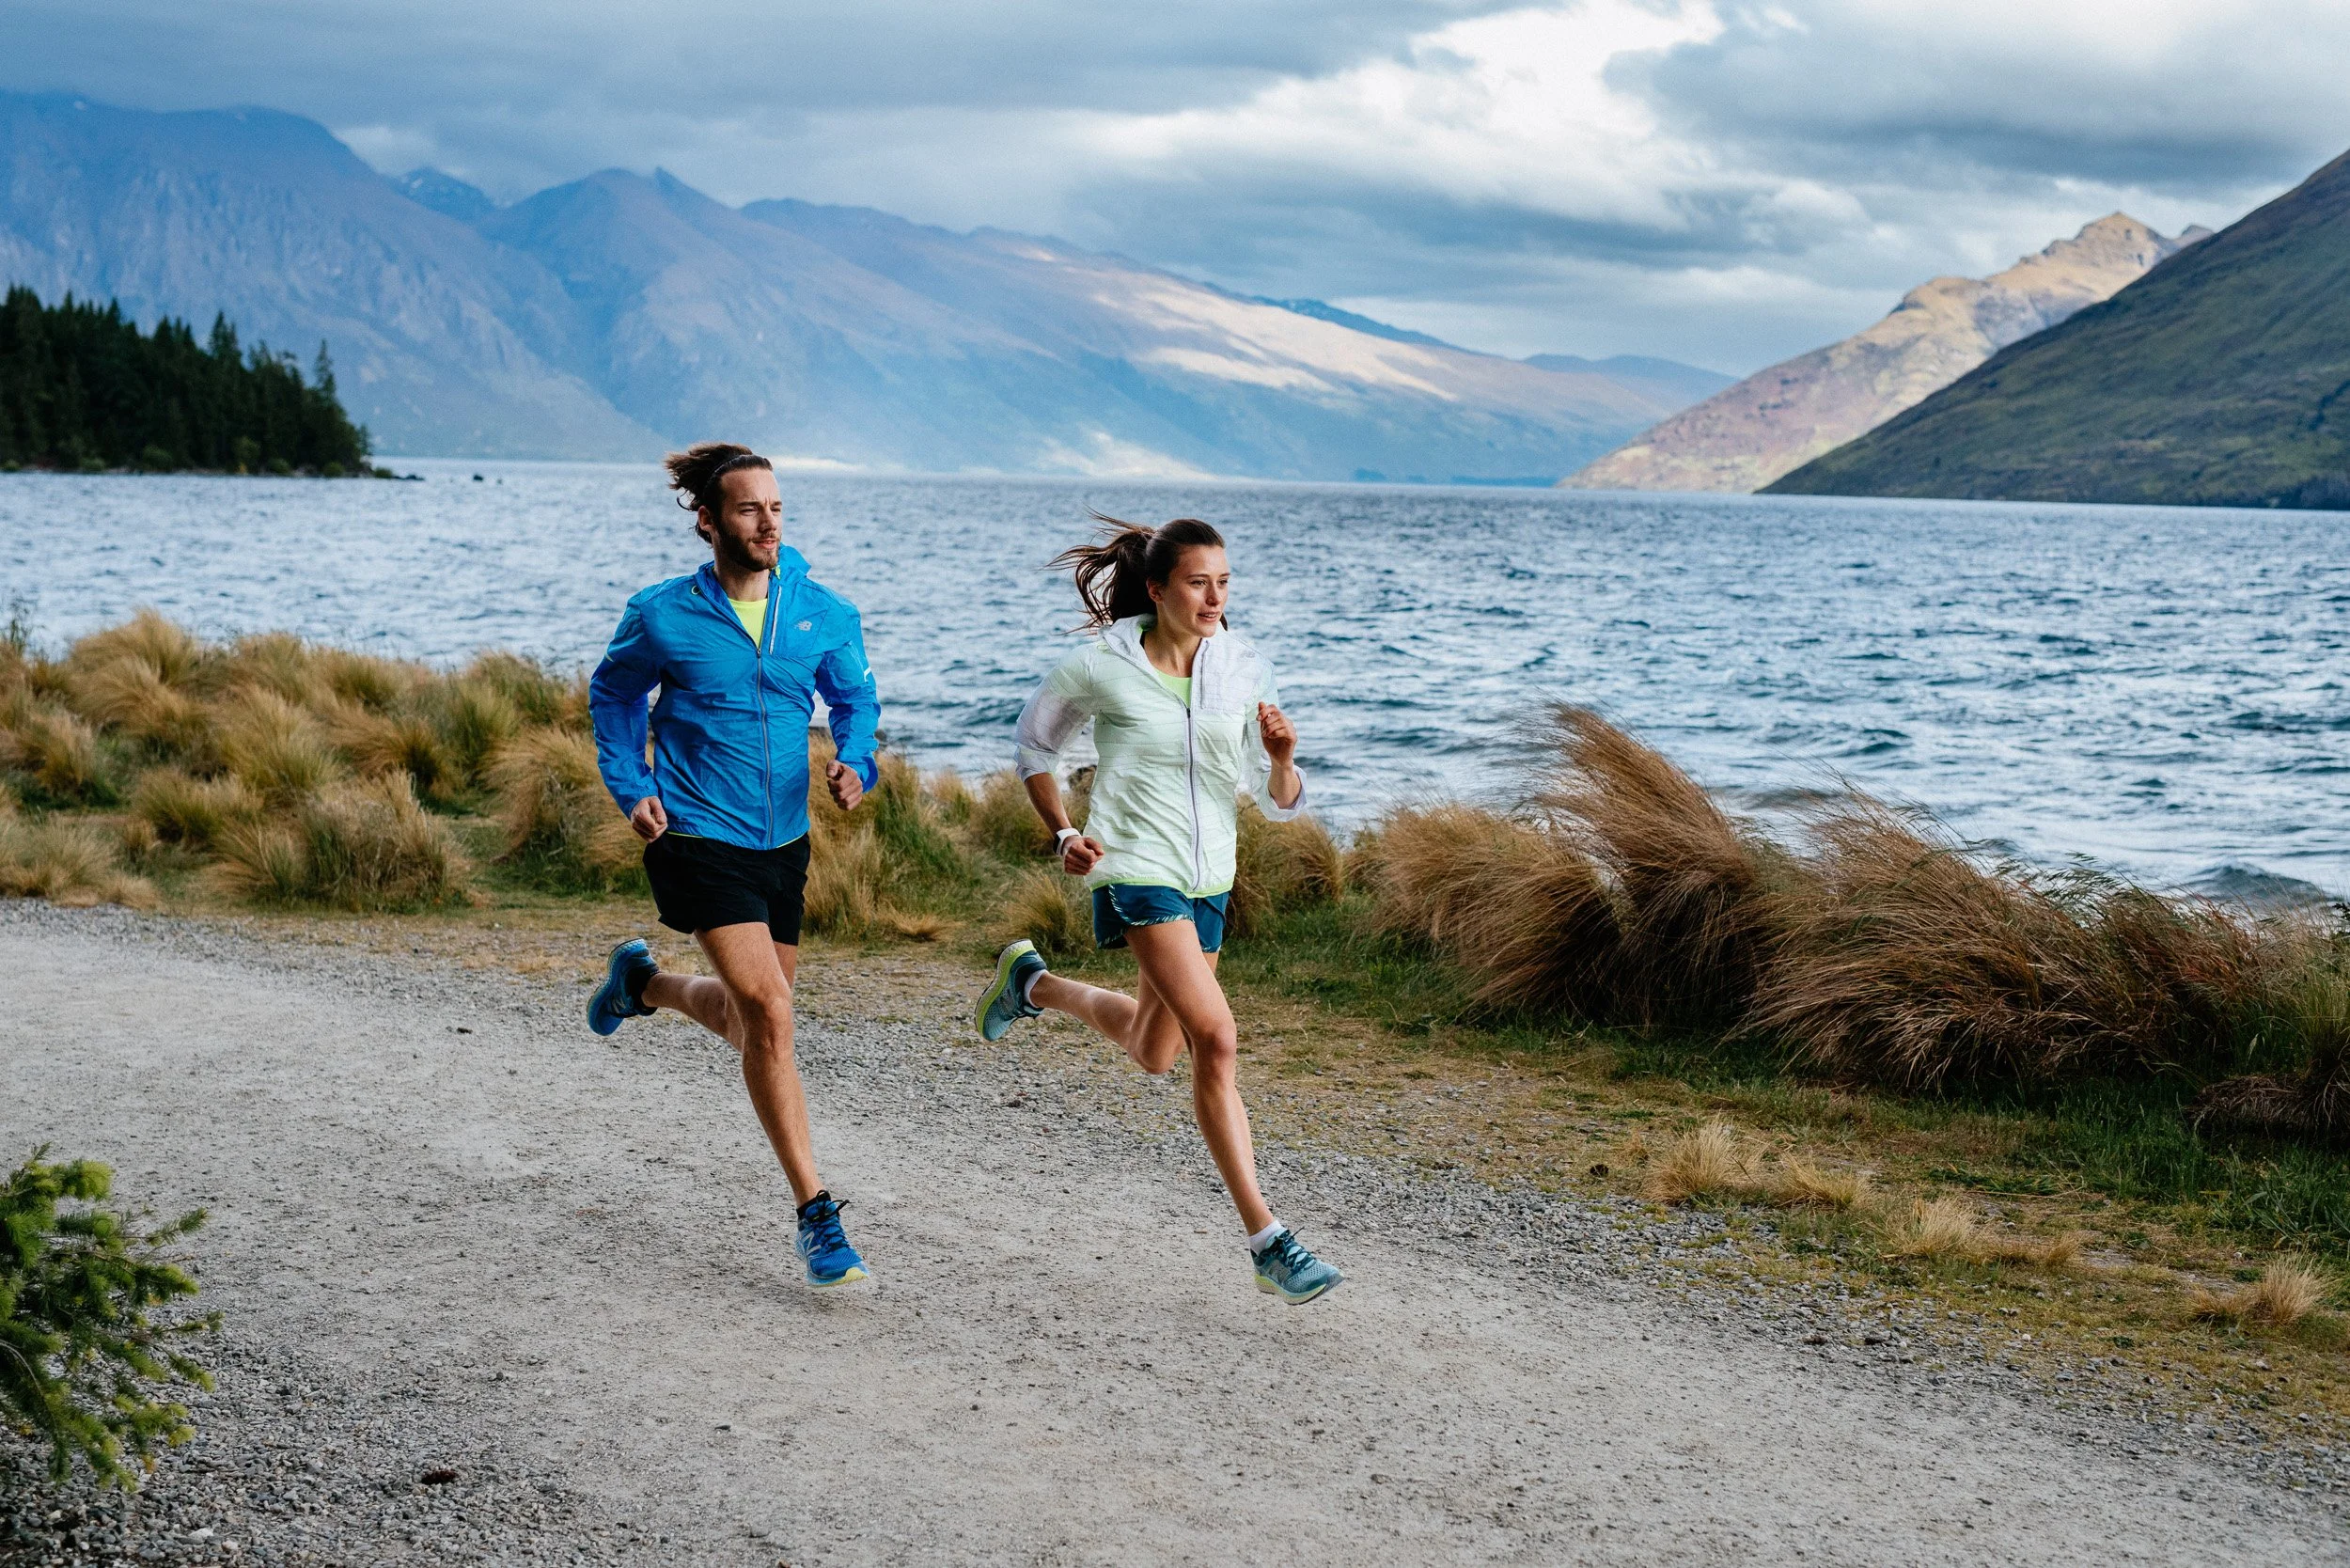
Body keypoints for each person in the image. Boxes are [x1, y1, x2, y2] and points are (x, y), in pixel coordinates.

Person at [976, 516, 1342, 1305]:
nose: (1215, 598)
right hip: (1137, 869)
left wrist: (1282, 761)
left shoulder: (1243, 667)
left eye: (1224, 583)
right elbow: (1034, 747)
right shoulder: (1101, 666)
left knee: (1156, 1050)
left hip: (1212, 876)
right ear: (1157, 589)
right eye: (1198, 582)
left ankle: (1033, 984)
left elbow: (1278, 801)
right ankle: (1268, 1239)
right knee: (1217, 1038)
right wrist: (1065, 832)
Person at [582, 443, 882, 1290]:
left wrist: (857, 762)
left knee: (760, 1024)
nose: (769, 523)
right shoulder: (663, 614)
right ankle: (816, 1213)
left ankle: (643, 986)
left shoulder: (819, 609)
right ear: (709, 521)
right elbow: (612, 696)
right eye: (750, 510)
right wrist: (630, 785)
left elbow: (856, 701)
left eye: (777, 508)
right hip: (694, 829)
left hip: (784, 838)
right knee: (772, 1013)